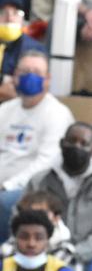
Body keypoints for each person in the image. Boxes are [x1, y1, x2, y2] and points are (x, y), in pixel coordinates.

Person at [23, 122, 92, 266]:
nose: (77, 147)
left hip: (89, 259)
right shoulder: (39, 181)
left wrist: (74, 252)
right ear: (61, 143)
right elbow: (20, 219)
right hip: (37, 253)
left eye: (84, 143)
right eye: (72, 141)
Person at [0, 50, 73, 193]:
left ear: (47, 79)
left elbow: (45, 164)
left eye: (37, 73)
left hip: (30, 189)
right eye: (25, 71)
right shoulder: (5, 109)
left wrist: (7, 187)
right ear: (15, 76)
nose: (30, 76)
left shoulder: (57, 114)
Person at [0, 190, 76, 269]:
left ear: (56, 218)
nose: (35, 218)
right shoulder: (9, 246)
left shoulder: (65, 250)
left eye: (42, 214)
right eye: (29, 214)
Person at [0, 0, 46, 102]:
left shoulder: (34, 48)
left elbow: (31, 87)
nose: (10, 18)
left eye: (16, 13)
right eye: (3, 13)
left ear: (22, 19)